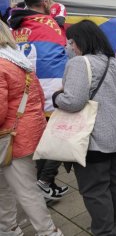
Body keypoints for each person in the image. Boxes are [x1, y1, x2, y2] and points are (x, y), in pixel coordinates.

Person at [54, 20, 116, 235]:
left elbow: (73, 102)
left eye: (71, 42)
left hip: (96, 140)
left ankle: (104, 230)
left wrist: (56, 97)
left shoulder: (80, 63)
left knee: (95, 189)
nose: (70, 47)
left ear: (80, 40)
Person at [0, 20, 64, 236]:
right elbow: (37, 97)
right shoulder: (19, 61)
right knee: (8, 187)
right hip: (24, 133)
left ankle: (48, 231)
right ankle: (7, 227)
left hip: (10, 138)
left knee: (24, 190)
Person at [9, 0, 69, 200]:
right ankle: (44, 182)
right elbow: (62, 53)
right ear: (44, 2)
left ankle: (47, 183)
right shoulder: (51, 24)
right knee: (58, 139)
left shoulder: (13, 24)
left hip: (24, 92)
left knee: (40, 140)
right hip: (51, 91)